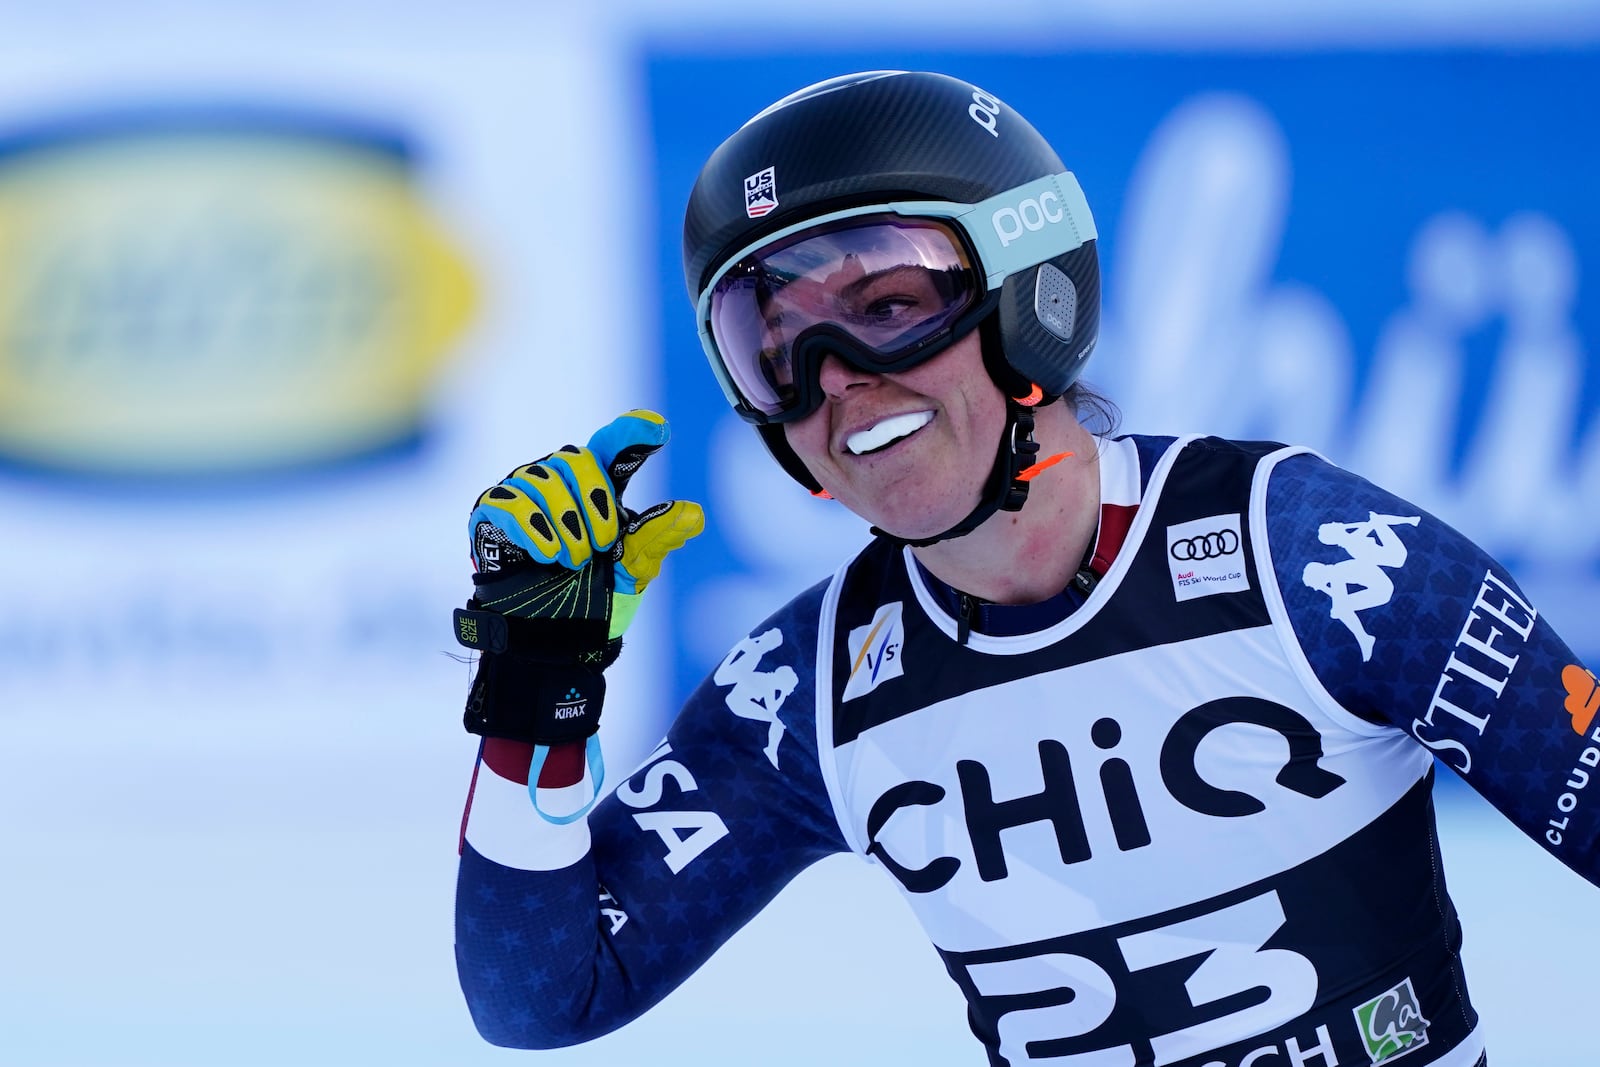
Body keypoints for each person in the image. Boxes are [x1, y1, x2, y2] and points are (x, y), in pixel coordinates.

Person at [450, 70, 1597, 1066]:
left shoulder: (1307, 556)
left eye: (888, 307)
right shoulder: (809, 690)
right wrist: (535, 697)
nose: (839, 382)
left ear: (1031, 299)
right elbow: (544, 992)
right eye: (777, 353)